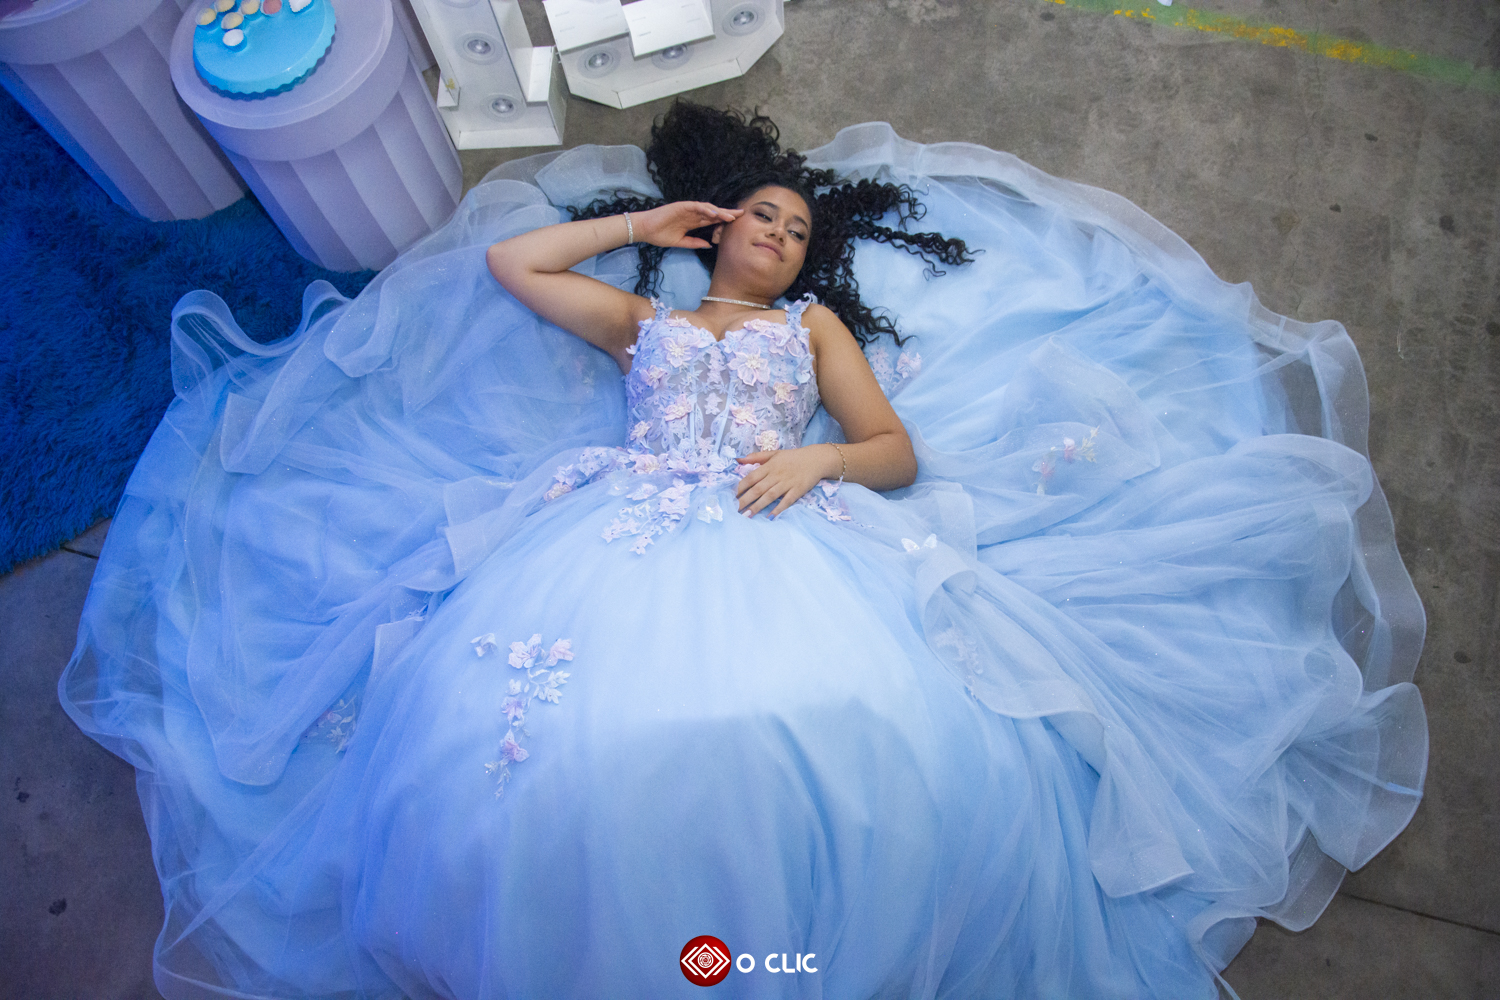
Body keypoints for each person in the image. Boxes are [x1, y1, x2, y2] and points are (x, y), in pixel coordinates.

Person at [61, 102, 1428, 1000]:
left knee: (828, 731)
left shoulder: (806, 332)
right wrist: (639, 228)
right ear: (717, 227)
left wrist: (819, 458)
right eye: (760, 216)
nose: (778, 236)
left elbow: (894, 450)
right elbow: (513, 268)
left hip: (783, 519)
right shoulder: (645, 324)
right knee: (531, 736)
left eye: (797, 229)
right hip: (623, 522)